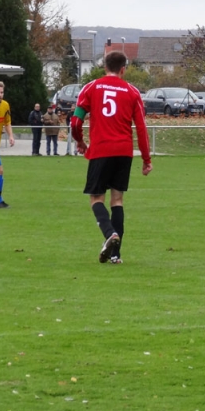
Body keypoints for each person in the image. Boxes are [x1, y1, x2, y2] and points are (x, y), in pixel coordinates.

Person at [71, 51, 152, 264]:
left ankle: (110, 234)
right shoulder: (132, 92)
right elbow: (141, 128)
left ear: (104, 67)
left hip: (101, 150)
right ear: (123, 69)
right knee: (117, 200)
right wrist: (146, 159)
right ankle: (116, 255)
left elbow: (76, 121)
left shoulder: (91, 88)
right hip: (124, 152)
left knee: (96, 199)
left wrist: (79, 141)